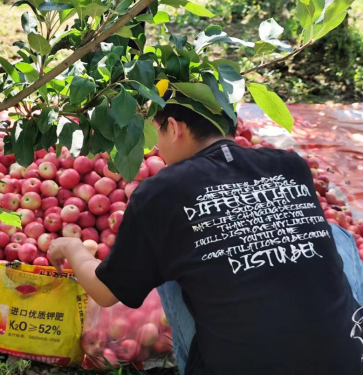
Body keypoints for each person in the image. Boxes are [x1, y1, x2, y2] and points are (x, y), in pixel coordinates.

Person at [48, 92, 363, 374]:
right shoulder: (291, 165)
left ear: (174, 127)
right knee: (332, 234)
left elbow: (105, 292)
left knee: (170, 255)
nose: (156, 146)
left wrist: (72, 247)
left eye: (156, 133)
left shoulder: (161, 190)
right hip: (347, 362)